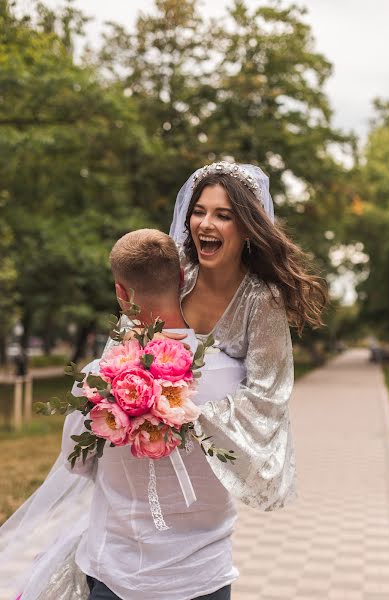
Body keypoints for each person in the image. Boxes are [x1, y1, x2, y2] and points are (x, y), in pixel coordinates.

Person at [1, 229, 246, 600]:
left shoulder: (96, 378)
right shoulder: (233, 374)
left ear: (120, 292)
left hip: (120, 574)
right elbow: (244, 461)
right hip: (203, 576)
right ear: (182, 278)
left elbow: (77, 465)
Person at [169, 161, 327, 511]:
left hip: (206, 451)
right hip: (149, 444)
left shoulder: (262, 299)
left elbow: (267, 396)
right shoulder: (175, 273)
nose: (206, 224)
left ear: (246, 228)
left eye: (223, 215)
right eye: (198, 212)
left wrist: (184, 412)